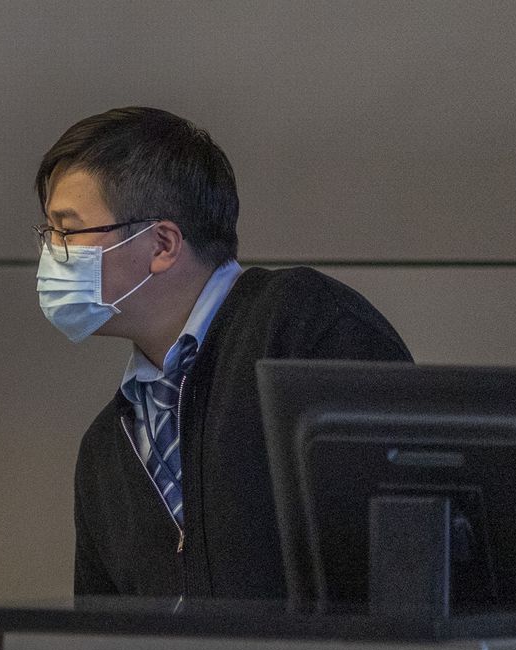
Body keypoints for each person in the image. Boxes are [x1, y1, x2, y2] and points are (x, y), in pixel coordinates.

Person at [35, 106, 413, 598]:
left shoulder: (306, 330)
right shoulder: (106, 448)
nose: (51, 254)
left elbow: (399, 563)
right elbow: (107, 649)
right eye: (49, 234)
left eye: (68, 231)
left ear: (162, 244)